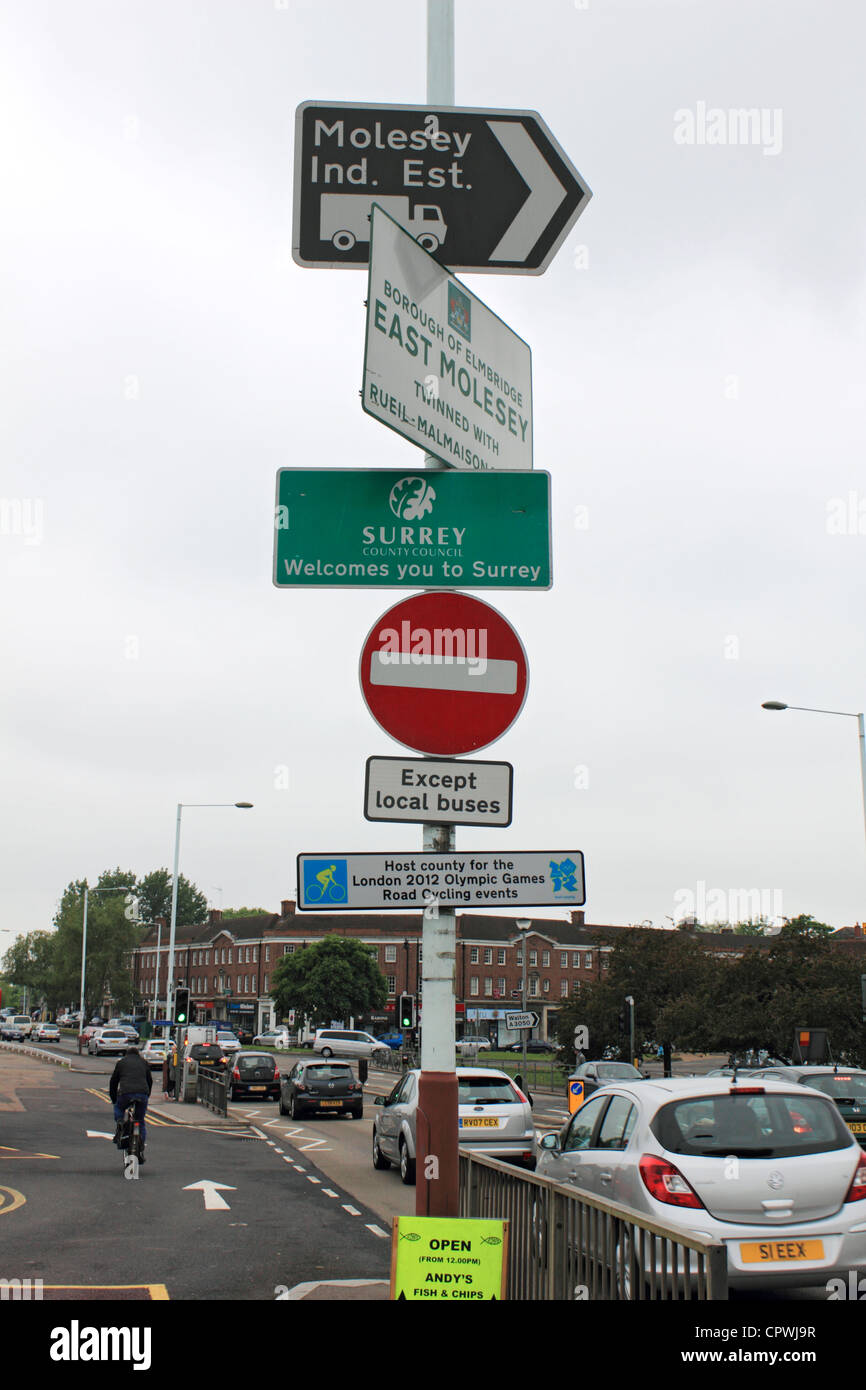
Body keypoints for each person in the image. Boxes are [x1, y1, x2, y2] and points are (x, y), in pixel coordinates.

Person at [109, 1043, 153, 1161]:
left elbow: (113, 1082)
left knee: (119, 1108)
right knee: (140, 1120)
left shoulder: (121, 1062)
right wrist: (146, 1095)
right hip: (142, 1094)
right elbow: (150, 1080)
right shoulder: (144, 1062)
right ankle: (141, 1146)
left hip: (125, 1093)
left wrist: (114, 1099)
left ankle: (120, 1122)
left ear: (126, 1054)